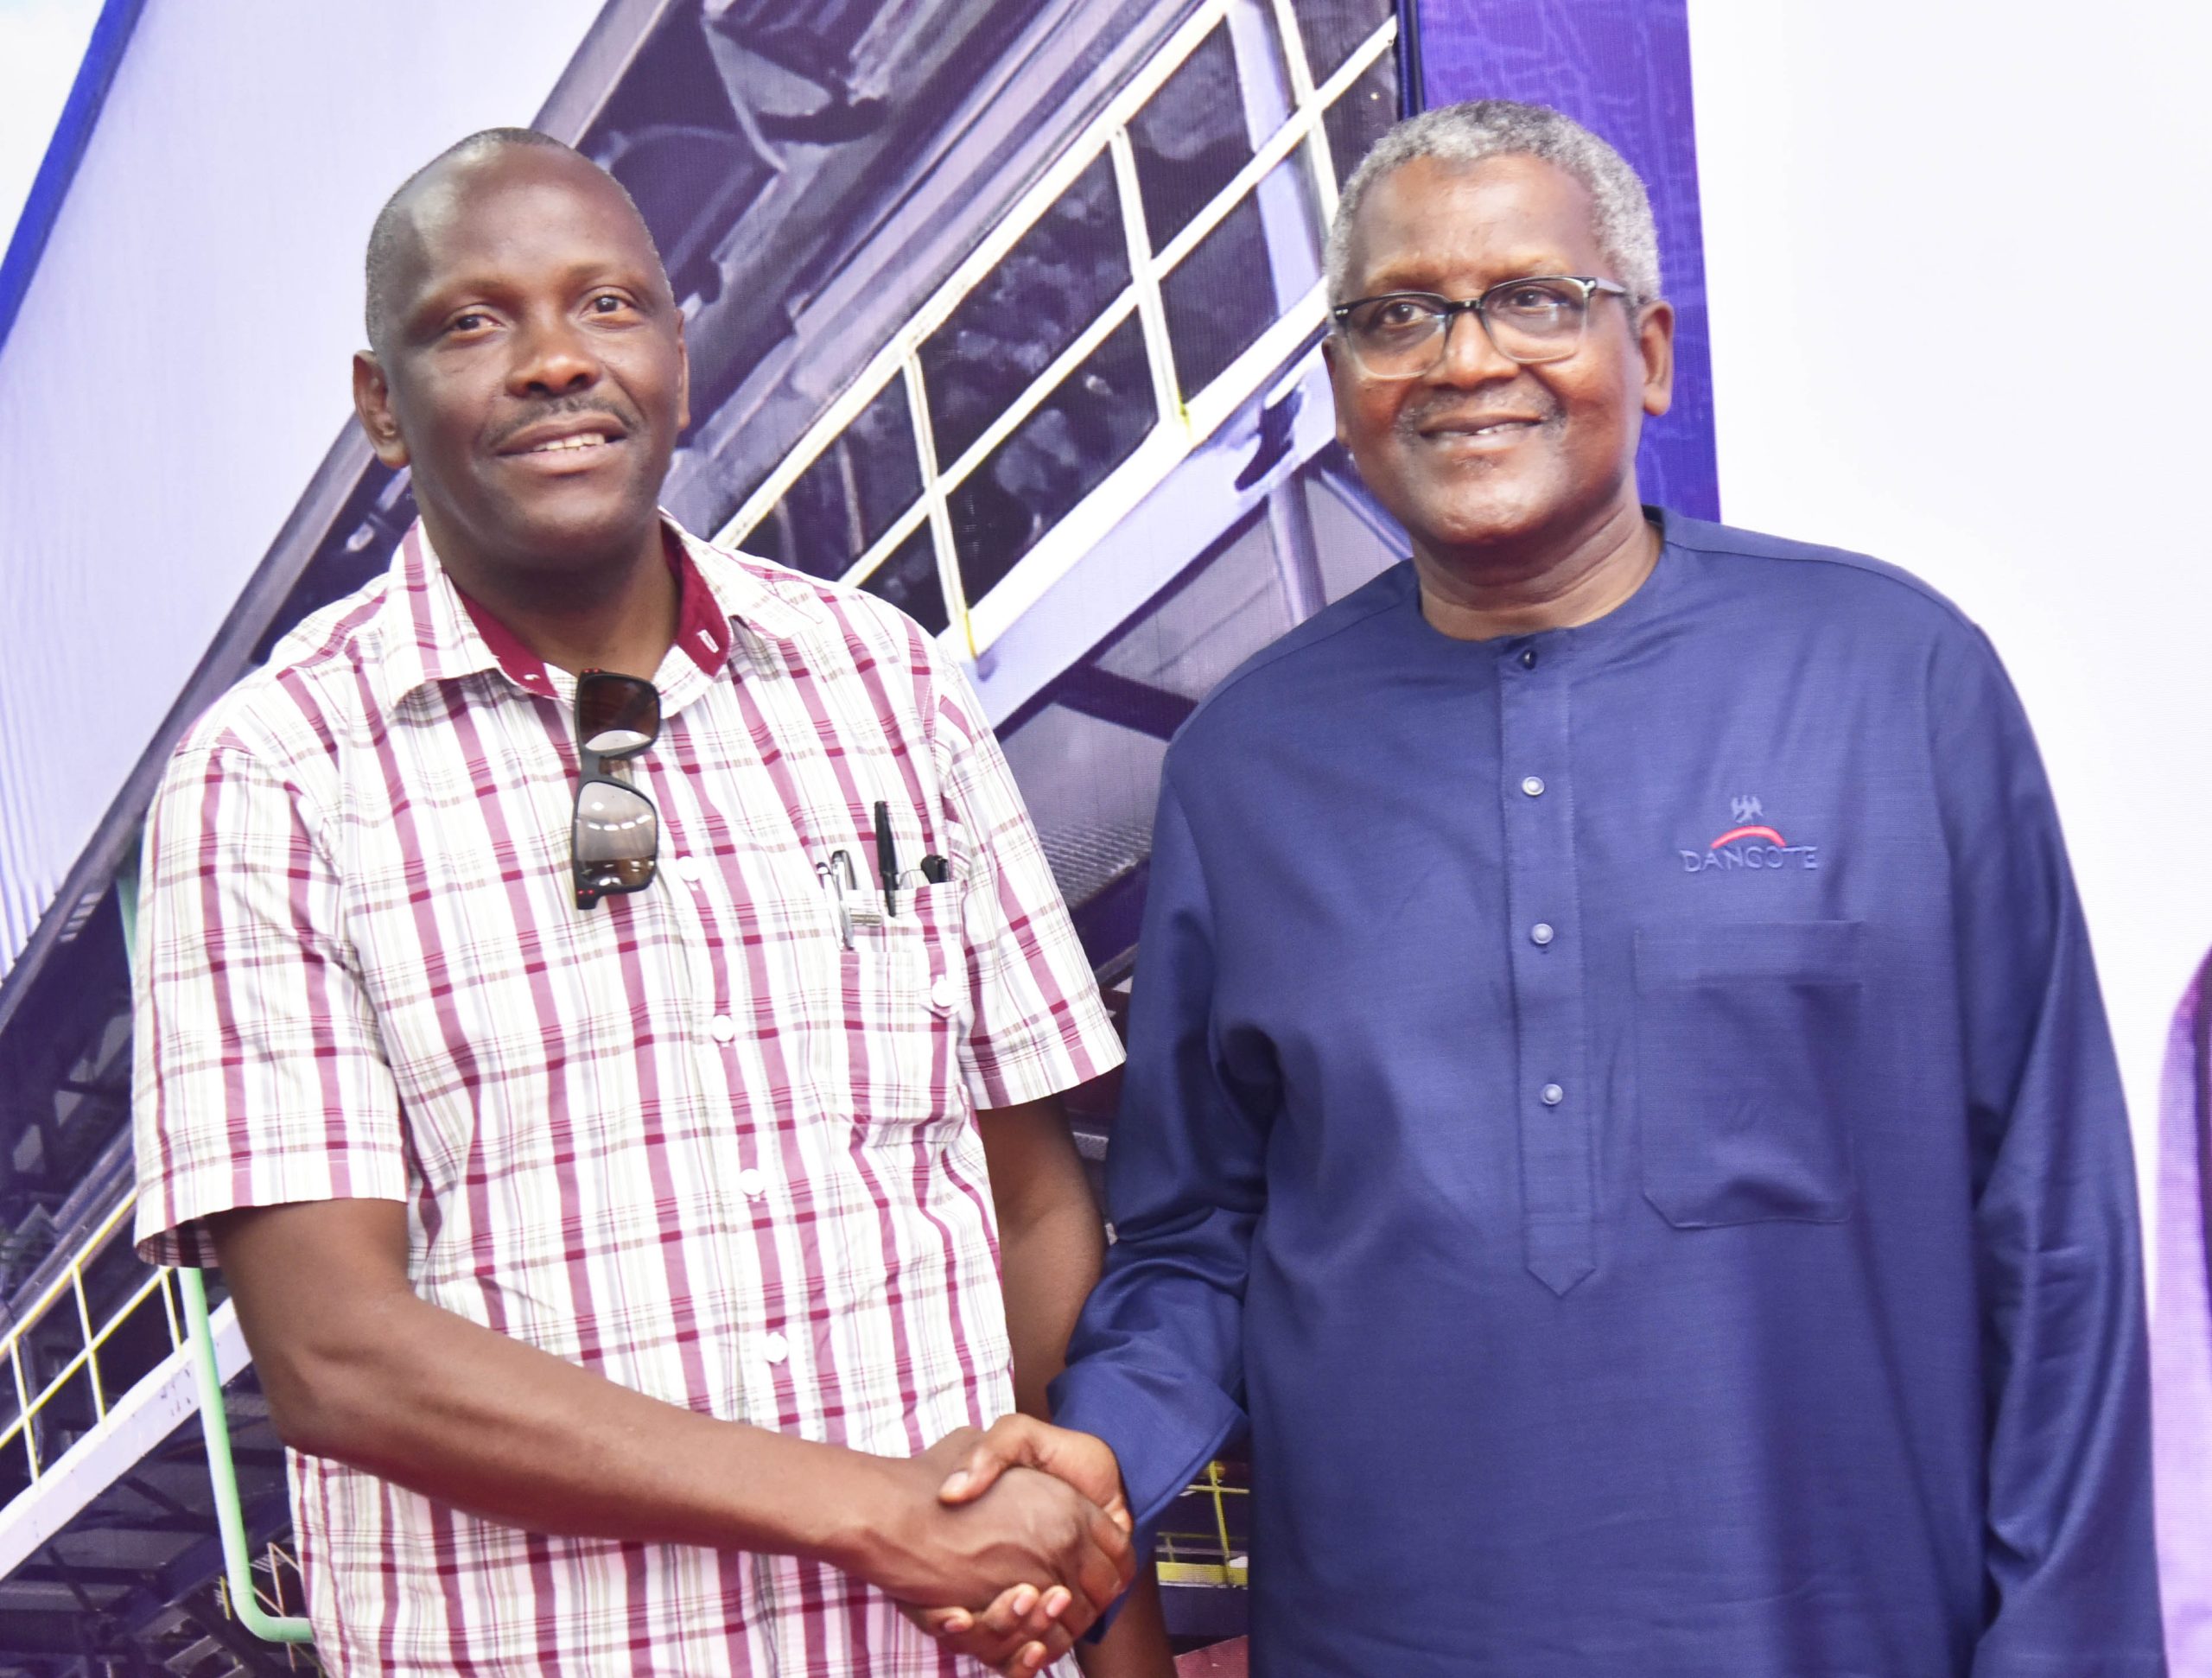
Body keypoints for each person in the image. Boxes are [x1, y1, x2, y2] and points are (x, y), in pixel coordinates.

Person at [953, 99, 2169, 1674]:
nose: (1466, 359)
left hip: (1847, 1627)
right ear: (1341, 383)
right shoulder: (1244, 766)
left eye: (1533, 298)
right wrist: (1099, 1445)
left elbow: (2056, 1232)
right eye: (1399, 316)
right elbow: (1196, 1238)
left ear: (1646, 352)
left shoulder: (1897, 678)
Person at [131, 128, 1176, 1678]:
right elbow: (336, 1352)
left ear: (678, 361)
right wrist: (871, 1513)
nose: (557, 359)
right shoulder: (274, 776)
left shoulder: (881, 683)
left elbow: (1027, 1202)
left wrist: (1107, 1628)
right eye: (471, 322)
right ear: (381, 407)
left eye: (607, 305)